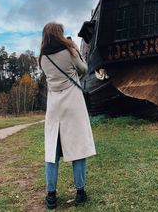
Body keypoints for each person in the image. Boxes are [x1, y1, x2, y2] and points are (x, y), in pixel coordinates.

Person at [39, 22, 96, 210]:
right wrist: (74, 49)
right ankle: (80, 193)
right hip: (73, 104)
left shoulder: (42, 58)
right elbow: (84, 69)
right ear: (59, 34)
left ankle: (51, 196)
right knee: (78, 150)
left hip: (54, 106)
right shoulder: (69, 51)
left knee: (52, 153)